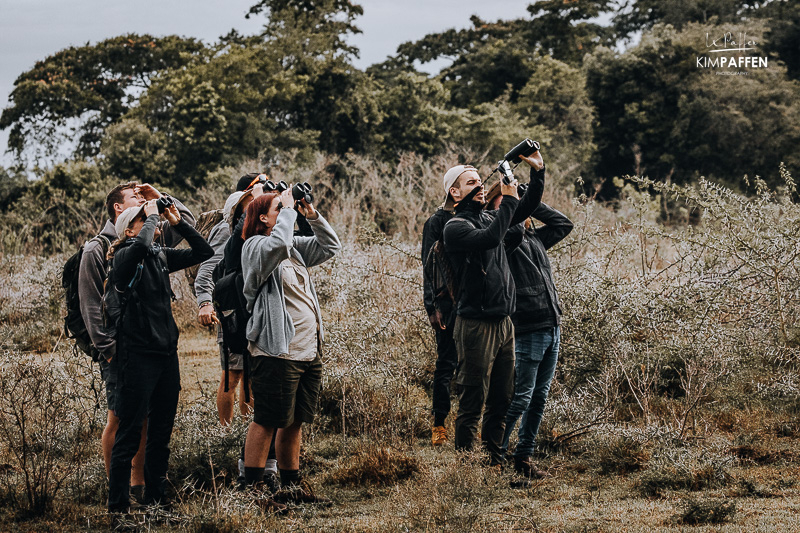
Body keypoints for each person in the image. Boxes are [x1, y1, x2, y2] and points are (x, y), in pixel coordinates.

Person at [78, 182, 194, 503]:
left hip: (151, 345)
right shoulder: (96, 248)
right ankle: (116, 489)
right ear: (119, 209)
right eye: (136, 198)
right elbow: (90, 304)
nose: (144, 202)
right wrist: (109, 349)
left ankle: (139, 485)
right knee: (119, 418)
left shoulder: (150, 236)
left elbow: (187, 223)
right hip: (119, 347)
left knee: (143, 418)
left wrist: (158, 197)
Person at [105, 199, 213, 512]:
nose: (151, 221)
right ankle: (119, 508)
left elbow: (204, 252)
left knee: (161, 432)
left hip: (166, 354)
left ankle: (157, 501)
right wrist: (152, 217)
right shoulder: (126, 255)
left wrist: (177, 222)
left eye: (149, 217)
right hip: (137, 356)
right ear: (128, 229)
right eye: (141, 218)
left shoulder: (159, 255)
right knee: (129, 432)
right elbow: (137, 247)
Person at [442, 151, 544, 467]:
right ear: (454, 193)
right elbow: (489, 239)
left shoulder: (489, 217)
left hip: (504, 323)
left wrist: (537, 172)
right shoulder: (455, 227)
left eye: (479, 181)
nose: (480, 186)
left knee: (502, 397)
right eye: (471, 182)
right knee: (473, 398)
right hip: (475, 323)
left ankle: (493, 460)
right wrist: (509, 201)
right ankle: (464, 468)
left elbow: (524, 209)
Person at [240, 185, 340, 506]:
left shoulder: (293, 247)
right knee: (268, 418)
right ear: (261, 220)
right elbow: (278, 243)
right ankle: (254, 490)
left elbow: (330, 245)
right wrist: (287, 210)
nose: (285, 210)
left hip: (307, 350)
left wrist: (311, 214)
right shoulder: (255, 247)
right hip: (276, 351)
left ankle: (291, 488)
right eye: (277, 208)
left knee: (295, 420)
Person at [489, 187, 573, 477]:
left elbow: (564, 224)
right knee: (520, 397)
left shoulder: (535, 237)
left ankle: (523, 458)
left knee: (539, 398)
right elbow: (508, 230)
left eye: (517, 205)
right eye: (507, 206)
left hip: (552, 325)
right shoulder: (503, 242)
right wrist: (512, 210)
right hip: (527, 327)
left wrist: (530, 199)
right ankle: (493, 458)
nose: (515, 210)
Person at [195, 174, 259, 425]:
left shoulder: (256, 226)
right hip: (232, 310)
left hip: (250, 310)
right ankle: (225, 433)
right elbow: (207, 269)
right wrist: (205, 302)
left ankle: (248, 430)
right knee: (233, 374)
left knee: (250, 373)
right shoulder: (227, 228)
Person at [421, 200, 456, 446]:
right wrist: (431, 307)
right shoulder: (436, 222)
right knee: (446, 363)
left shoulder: (480, 213)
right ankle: (439, 424)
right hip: (446, 304)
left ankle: (470, 422)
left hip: (475, 304)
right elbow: (427, 267)